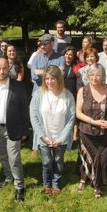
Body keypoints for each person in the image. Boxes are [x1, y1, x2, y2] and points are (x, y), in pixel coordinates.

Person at [0, 57, 28, 202]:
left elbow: (24, 109)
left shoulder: (18, 86)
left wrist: (25, 131)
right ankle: (9, 177)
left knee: (14, 158)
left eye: (4, 68)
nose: (1, 71)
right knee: (2, 155)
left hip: (13, 128)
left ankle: (20, 186)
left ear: (9, 68)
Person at [76, 63, 107, 198]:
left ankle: (88, 180)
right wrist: (93, 122)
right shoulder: (83, 91)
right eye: (91, 75)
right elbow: (78, 113)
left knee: (101, 160)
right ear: (88, 76)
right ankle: (94, 185)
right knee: (91, 158)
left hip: (104, 133)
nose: (94, 78)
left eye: (98, 75)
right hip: (86, 131)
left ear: (103, 76)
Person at [30, 65, 75, 195]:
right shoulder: (38, 94)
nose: (49, 82)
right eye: (47, 78)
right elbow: (33, 117)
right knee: (47, 161)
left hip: (61, 137)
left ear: (59, 79)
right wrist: (43, 136)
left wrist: (61, 138)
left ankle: (56, 184)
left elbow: (71, 119)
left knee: (58, 161)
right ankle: (46, 183)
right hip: (44, 136)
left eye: (53, 78)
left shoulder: (68, 96)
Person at [30, 34, 65, 157]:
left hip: (55, 94)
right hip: (39, 94)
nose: (42, 46)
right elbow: (34, 76)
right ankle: (38, 145)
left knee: (53, 120)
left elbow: (61, 74)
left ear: (52, 44)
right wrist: (52, 73)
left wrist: (42, 72)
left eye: (45, 44)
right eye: (41, 44)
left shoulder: (60, 57)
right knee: (38, 120)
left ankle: (55, 144)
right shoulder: (36, 58)